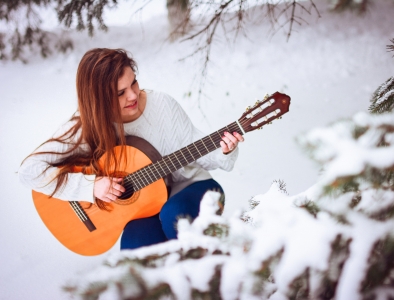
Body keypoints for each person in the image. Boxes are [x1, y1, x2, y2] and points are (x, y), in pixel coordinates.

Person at [18, 48, 243, 250]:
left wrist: (225, 150)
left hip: (192, 187)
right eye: (120, 93)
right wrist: (91, 187)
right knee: (135, 248)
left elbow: (197, 147)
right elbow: (29, 171)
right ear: (97, 100)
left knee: (174, 216)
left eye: (133, 83)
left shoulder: (162, 105)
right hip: (147, 206)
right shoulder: (86, 128)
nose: (133, 95)